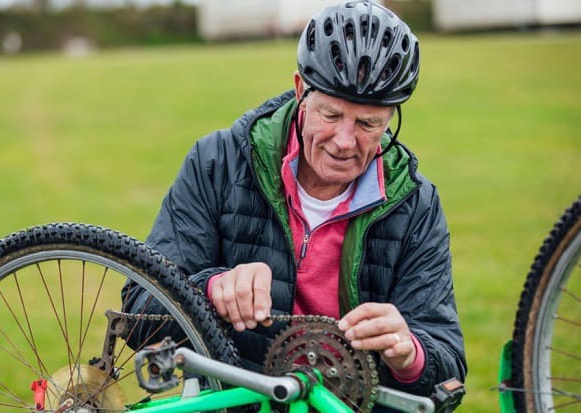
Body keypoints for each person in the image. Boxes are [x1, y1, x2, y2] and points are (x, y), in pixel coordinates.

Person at [124, 0, 466, 402]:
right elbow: (139, 314)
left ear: (391, 117)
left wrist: (410, 354)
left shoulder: (415, 203)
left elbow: (448, 369)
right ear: (301, 90)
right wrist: (213, 287)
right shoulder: (219, 161)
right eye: (331, 115)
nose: (344, 141)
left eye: (367, 124)